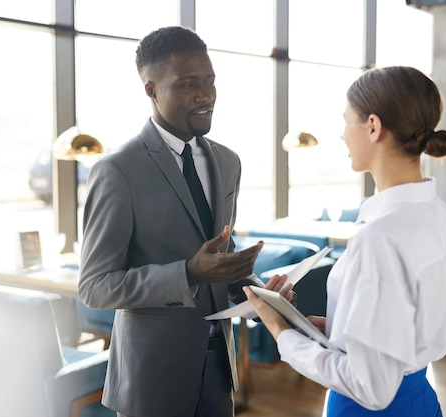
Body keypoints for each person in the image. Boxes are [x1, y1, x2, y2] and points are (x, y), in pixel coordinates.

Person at [78, 26, 294, 417]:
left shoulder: (228, 162)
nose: (206, 94)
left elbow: (219, 267)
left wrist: (266, 297)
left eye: (210, 81)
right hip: (152, 376)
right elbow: (95, 287)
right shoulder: (117, 171)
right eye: (189, 83)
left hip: (218, 372)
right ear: (151, 89)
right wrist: (188, 273)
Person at [244, 66, 446, 417]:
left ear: (372, 126)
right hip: (422, 403)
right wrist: (341, 330)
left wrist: (282, 332)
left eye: (346, 121)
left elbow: (371, 387)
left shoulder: (379, 237)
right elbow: (442, 320)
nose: (341, 135)